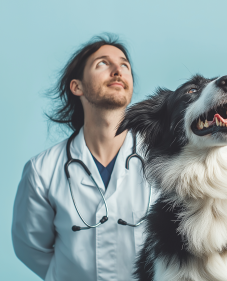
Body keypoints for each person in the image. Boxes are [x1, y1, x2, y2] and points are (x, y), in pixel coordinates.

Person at [12, 35, 152, 281]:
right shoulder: (42, 170)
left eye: (124, 65)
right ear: (77, 86)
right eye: (102, 64)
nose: (117, 71)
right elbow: (30, 247)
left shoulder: (161, 159)